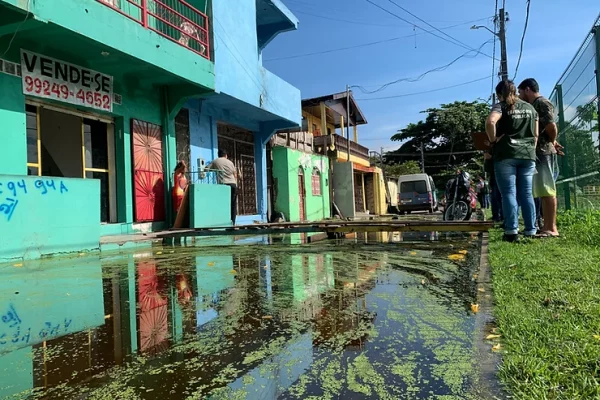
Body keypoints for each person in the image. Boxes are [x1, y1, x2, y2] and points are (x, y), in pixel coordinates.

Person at [485, 80, 538, 242]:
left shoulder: (501, 106)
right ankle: (531, 230)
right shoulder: (530, 108)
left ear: (500, 94)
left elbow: (490, 122)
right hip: (528, 155)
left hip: (506, 154)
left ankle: (511, 231)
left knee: (508, 193)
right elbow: (535, 135)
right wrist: (530, 148)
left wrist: (493, 140)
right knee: (527, 193)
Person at [518, 78, 561, 237]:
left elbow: (551, 126)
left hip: (544, 151)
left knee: (547, 189)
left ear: (527, 89)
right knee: (542, 190)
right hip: (538, 152)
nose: (519, 95)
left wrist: (552, 141)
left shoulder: (542, 103)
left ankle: (551, 228)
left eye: (520, 92)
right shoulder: (533, 105)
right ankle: (546, 226)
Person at [207, 149, 238, 225]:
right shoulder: (230, 162)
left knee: (223, 204)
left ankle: (223, 221)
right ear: (226, 155)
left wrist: (214, 169)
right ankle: (233, 222)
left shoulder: (215, 161)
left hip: (224, 185)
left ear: (219, 155)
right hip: (233, 184)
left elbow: (206, 169)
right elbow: (235, 174)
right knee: (233, 204)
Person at [484, 152, 503, 223]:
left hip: (498, 176)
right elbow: (487, 168)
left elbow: (487, 168)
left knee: (498, 197)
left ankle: (500, 216)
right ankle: (497, 216)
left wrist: (489, 159)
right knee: (495, 197)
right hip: (494, 177)